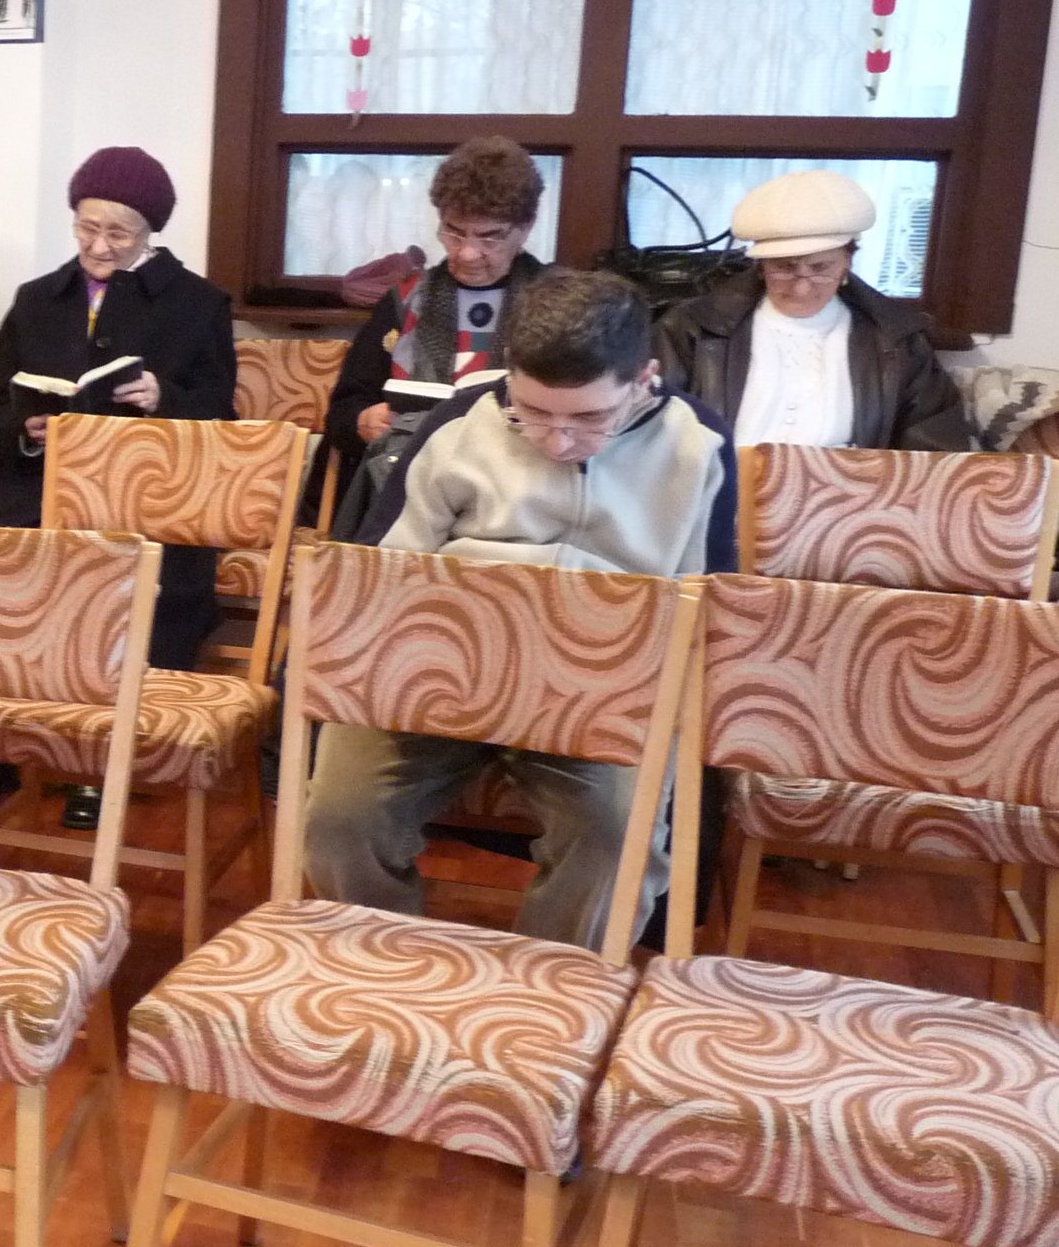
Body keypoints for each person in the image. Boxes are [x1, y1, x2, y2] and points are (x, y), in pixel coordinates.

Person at [304, 268, 737, 949]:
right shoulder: (461, 421)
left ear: (644, 378)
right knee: (340, 817)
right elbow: (383, 573)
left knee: (616, 838)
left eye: (589, 419)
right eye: (532, 412)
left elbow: (706, 603)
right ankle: (382, 965)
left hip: (599, 695)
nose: (557, 443)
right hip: (439, 675)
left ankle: (558, 986)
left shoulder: (695, 444)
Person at [0, 146, 235, 822]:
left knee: (139, 582)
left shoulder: (199, 304)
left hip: (148, 498)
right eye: (86, 227)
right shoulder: (37, 298)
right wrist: (25, 427)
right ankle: (0, 742)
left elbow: (221, 411)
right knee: (4, 569)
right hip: (45, 491)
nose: (98, 246)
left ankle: (104, 756)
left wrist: (164, 397)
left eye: (118, 233)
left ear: (151, 232)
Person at [653, 169, 970, 451]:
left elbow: (933, 444)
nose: (801, 288)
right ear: (761, 267)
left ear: (848, 261)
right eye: (784, 268)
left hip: (847, 491)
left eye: (820, 268)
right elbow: (651, 426)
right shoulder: (691, 328)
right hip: (719, 487)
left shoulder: (896, 339)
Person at [324, 137, 548, 526]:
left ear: (525, 229)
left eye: (490, 237)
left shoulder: (555, 301)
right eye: (453, 232)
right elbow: (343, 411)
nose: (467, 253)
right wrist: (362, 421)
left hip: (521, 498)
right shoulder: (405, 300)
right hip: (408, 489)